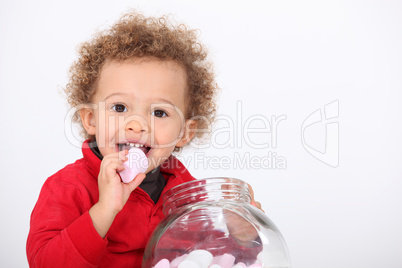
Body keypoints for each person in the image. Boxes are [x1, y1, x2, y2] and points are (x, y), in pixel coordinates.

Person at [26, 10, 262, 267]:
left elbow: (217, 257)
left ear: (184, 132)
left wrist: (243, 235)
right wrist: (105, 209)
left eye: (159, 112)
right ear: (91, 119)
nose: (136, 125)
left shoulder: (188, 194)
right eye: (119, 108)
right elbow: (44, 262)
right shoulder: (68, 188)